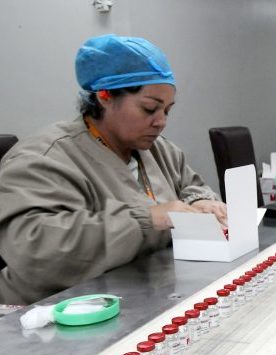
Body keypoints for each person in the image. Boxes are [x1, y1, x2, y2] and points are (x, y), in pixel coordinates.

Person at [0, 34, 226, 305]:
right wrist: (149, 220)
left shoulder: (158, 150)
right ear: (105, 96)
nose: (161, 122)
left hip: (137, 292)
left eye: (167, 110)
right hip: (53, 311)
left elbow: (189, 184)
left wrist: (199, 201)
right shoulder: (44, 159)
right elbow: (35, 251)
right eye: (150, 108)